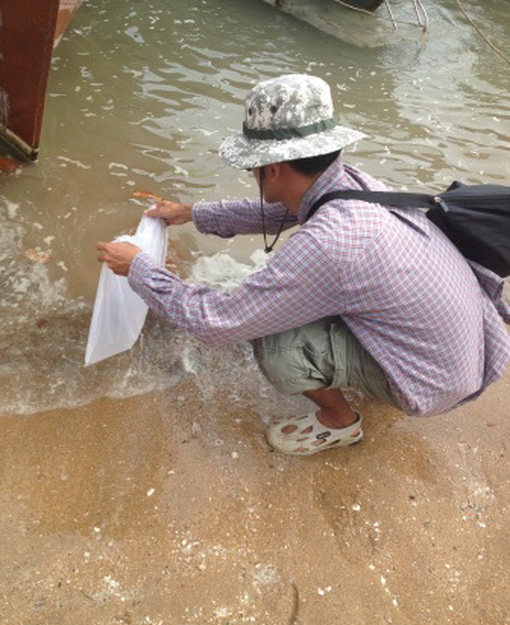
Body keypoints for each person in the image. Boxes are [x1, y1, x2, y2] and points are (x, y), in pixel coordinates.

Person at [96, 73, 510, 455]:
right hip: (467, 351)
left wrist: (139, 268)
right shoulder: (351, 183)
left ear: (272, 168)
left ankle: (339, 422)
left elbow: (218, 322)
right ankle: (372, 367)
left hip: (432, 383)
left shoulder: (329, 245)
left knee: (275, 340)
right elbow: (284, 211)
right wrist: (191, 212)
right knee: (299, 300)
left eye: (252, 168)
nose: (252, 176)